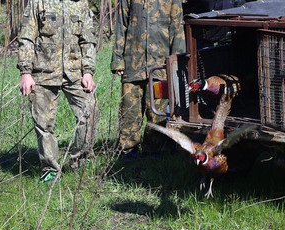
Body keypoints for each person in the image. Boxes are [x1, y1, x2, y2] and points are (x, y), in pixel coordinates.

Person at [17, 0, 98, 183]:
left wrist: (88, 72)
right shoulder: (38, 3)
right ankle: (50, 169)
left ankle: (80, 160)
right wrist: (26, 73)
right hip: (42, 72)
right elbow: (27, 38)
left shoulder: (80, 4)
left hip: (74, 72)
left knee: (90, 112)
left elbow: (87, 40)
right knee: (44, 124)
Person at [111, 0, 186, 157]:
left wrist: (177, 62)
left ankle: (153, 148)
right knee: (129, 109)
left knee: (157, 112)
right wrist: (118, 59)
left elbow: (177, 28)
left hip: (160, 66)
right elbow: (121, 24)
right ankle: (128, 150)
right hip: (133, 64)